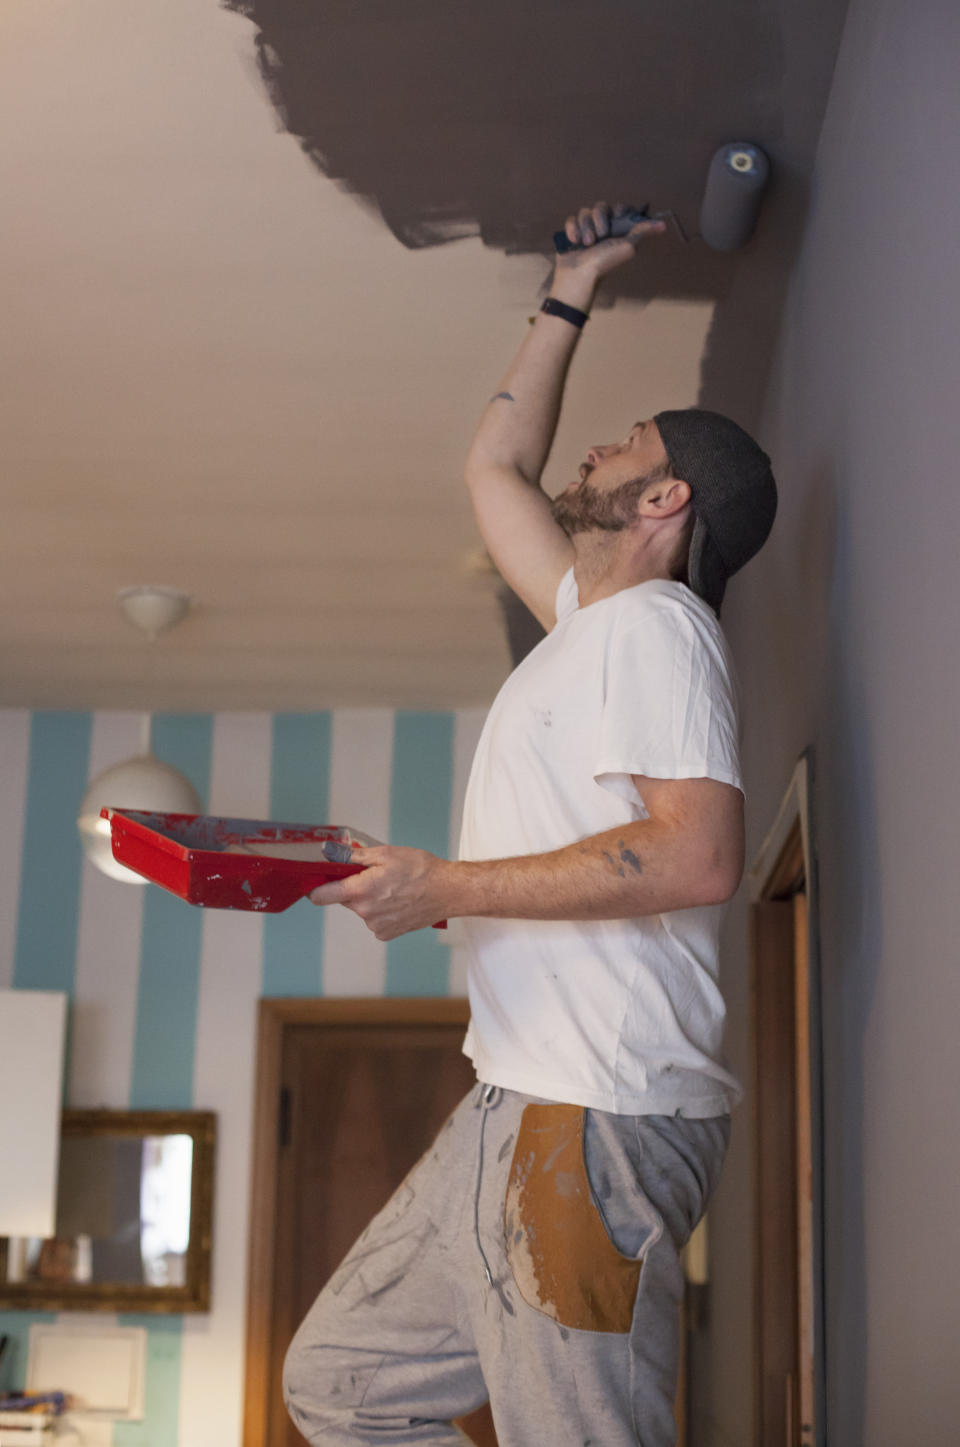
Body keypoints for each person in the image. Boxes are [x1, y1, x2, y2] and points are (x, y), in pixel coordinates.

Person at [285, 202, 777, 1446]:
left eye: (628, 442)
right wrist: (570, 289)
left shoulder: (664, 633)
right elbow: (493, 466)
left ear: (666, 495)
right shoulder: (589, 622)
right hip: (514, 1096)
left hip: (596, 1112)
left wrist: (445, 878)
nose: (597, 445)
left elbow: (698, 854)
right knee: (341, 1382)